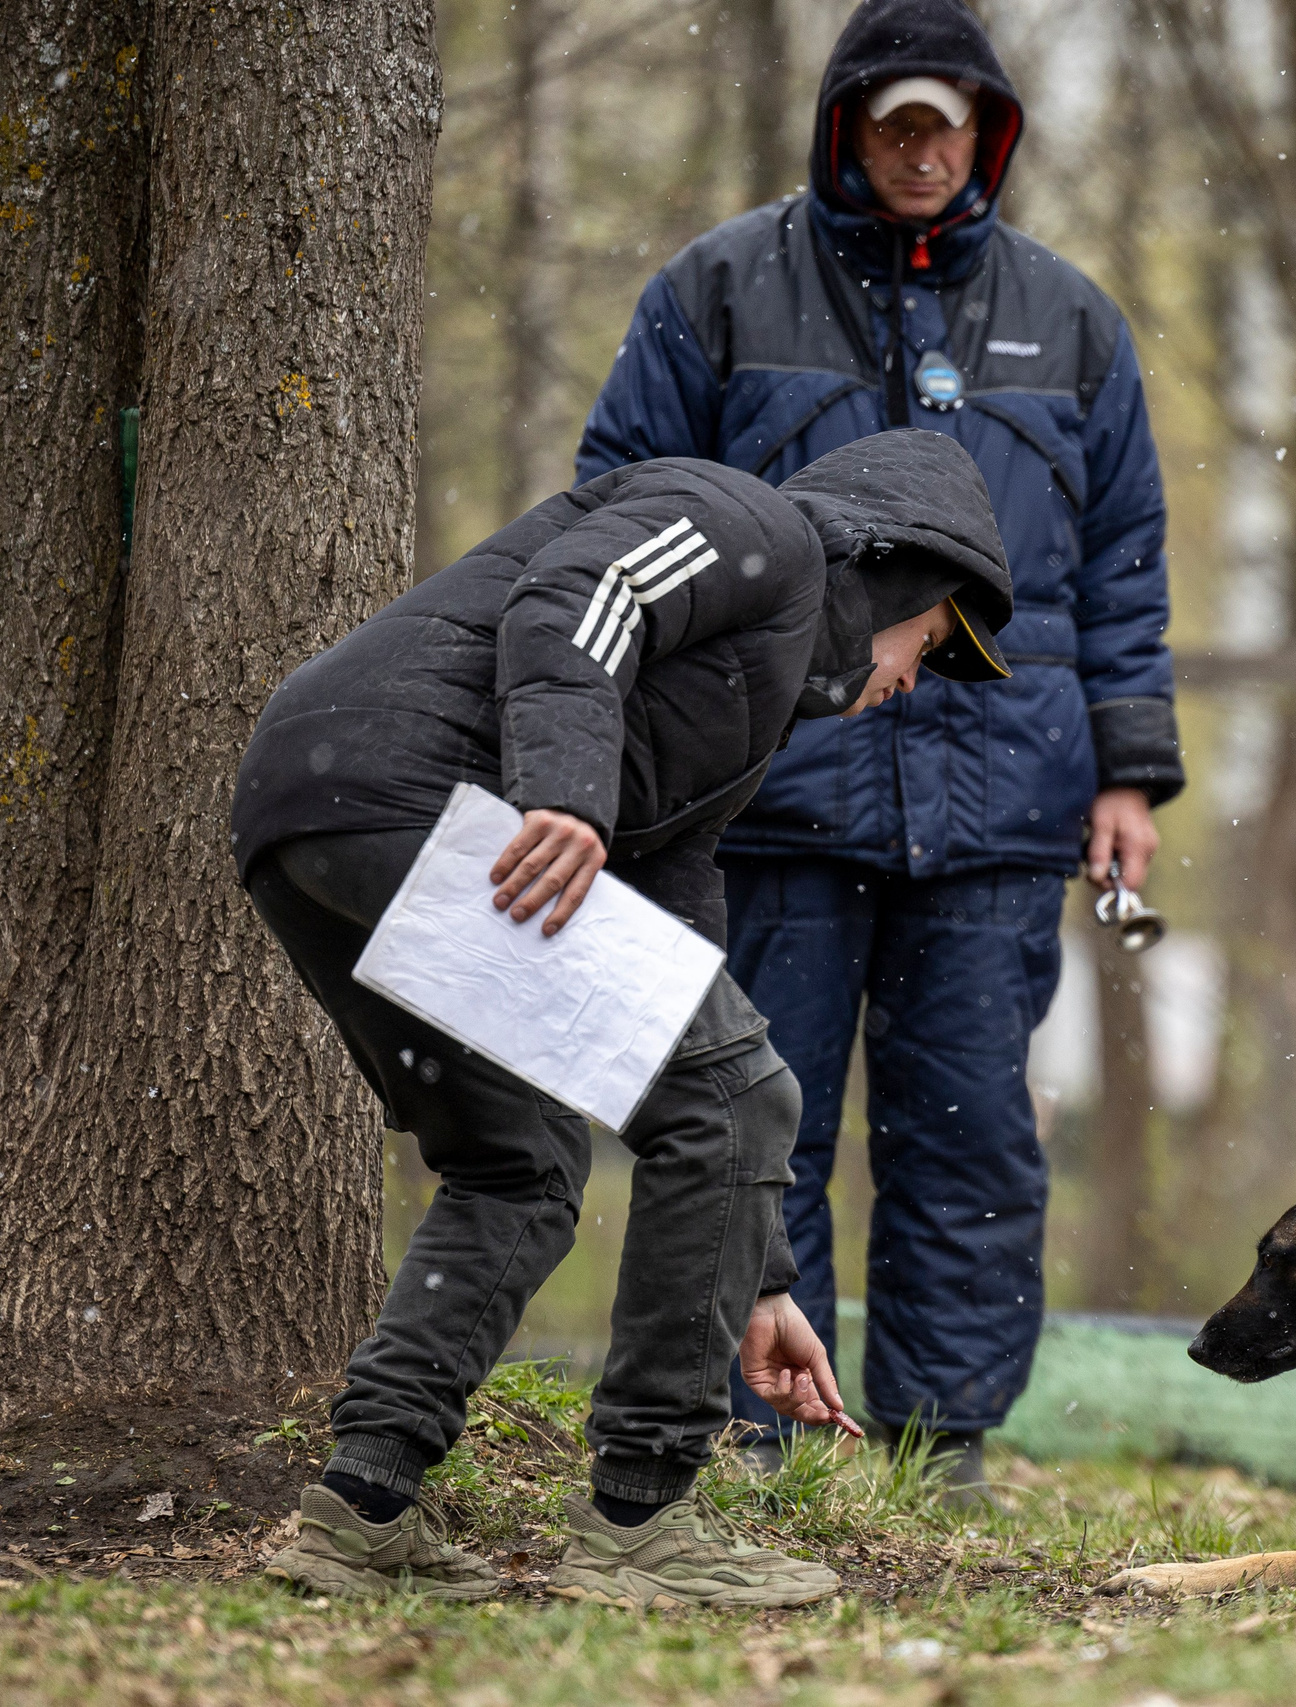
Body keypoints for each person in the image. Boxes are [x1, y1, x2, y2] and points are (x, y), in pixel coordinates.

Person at [239, 432, 1012, 1607]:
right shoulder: (758, 529)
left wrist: (761, 1277)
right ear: (902, 574)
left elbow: (679, 937)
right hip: (413, 800)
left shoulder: (742, 711)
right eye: (937, 644)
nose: (917, 680)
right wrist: (564, 796)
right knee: (741, 1094)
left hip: (313, 821)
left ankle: (360, 1511)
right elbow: (582, 592)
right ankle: (642, 1521)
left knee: (523, 1160)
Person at [574, 0, 1183, 1488]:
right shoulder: (714, 292)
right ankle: (756, 1422)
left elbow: (1124, 567)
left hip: (1001, 802)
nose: (923, 151)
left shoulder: (1075, 320)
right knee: (750, 1116)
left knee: (972, 1131)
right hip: (769, 792)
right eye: (898, 121)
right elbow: (618, 504)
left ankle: (940, 1436)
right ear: (849, 123)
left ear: (989, 134)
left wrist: (1127, 767)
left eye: (949, 125)